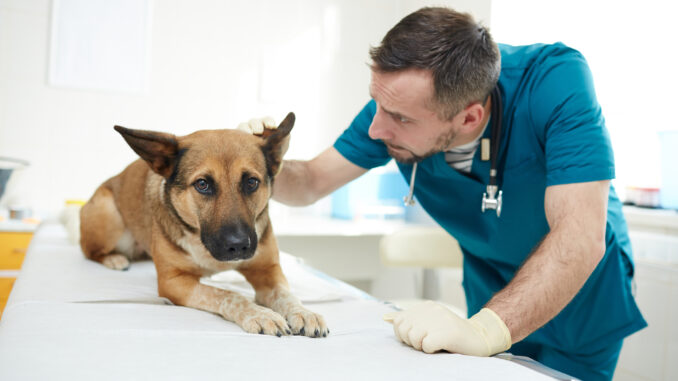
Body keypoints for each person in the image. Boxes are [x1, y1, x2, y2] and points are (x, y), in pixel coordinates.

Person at [240, 7, 646, 381]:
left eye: (398, 118)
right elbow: (310, 181)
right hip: (493, 292)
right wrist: (260, 164)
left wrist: (488, 330)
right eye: (376, 104)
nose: (377, 130)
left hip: (581, 301)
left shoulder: (555, 82)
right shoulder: (396, 106)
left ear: (470, 116)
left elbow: (579, 236)